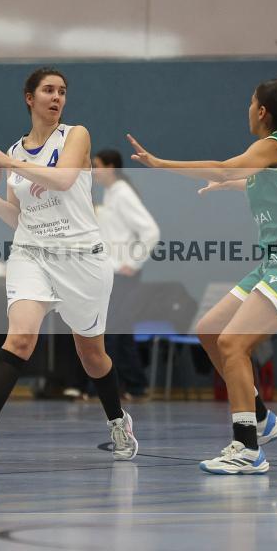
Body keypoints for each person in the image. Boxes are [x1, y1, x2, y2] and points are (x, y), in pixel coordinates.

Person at [127, 79, 277, 474]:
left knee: (233, 343)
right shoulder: (274, 155)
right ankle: (261, 417)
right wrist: (229, 186)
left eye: (250, 102)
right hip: (275, 259)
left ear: (262, 111)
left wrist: (161, 164)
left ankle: (248, 448)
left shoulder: (273, 144)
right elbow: (259, 183)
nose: (248, 109)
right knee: (209, 330)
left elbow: (225, 166)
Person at [0, 67, 138, 465]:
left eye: (62, 91)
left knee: (92, 356)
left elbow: (64, 179)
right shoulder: (15, 151)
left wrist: (7, 163)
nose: (57, 98)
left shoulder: (75, 135)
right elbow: (17, 216)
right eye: (48, 90)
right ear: (30, 98)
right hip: (32, 253)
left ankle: (117, 420)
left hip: (82, 258)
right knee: (20, 338)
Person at [93, 148, 160, 400]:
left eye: (97, 166)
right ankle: (134, 386)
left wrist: (133, 262)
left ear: (110, 167)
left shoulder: (122, 193)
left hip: (124, 274)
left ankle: (114, 387)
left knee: (113, 330)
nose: (93, 171)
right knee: (120, 330)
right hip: (113, 272)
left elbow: (150, 231)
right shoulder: (111, 193)